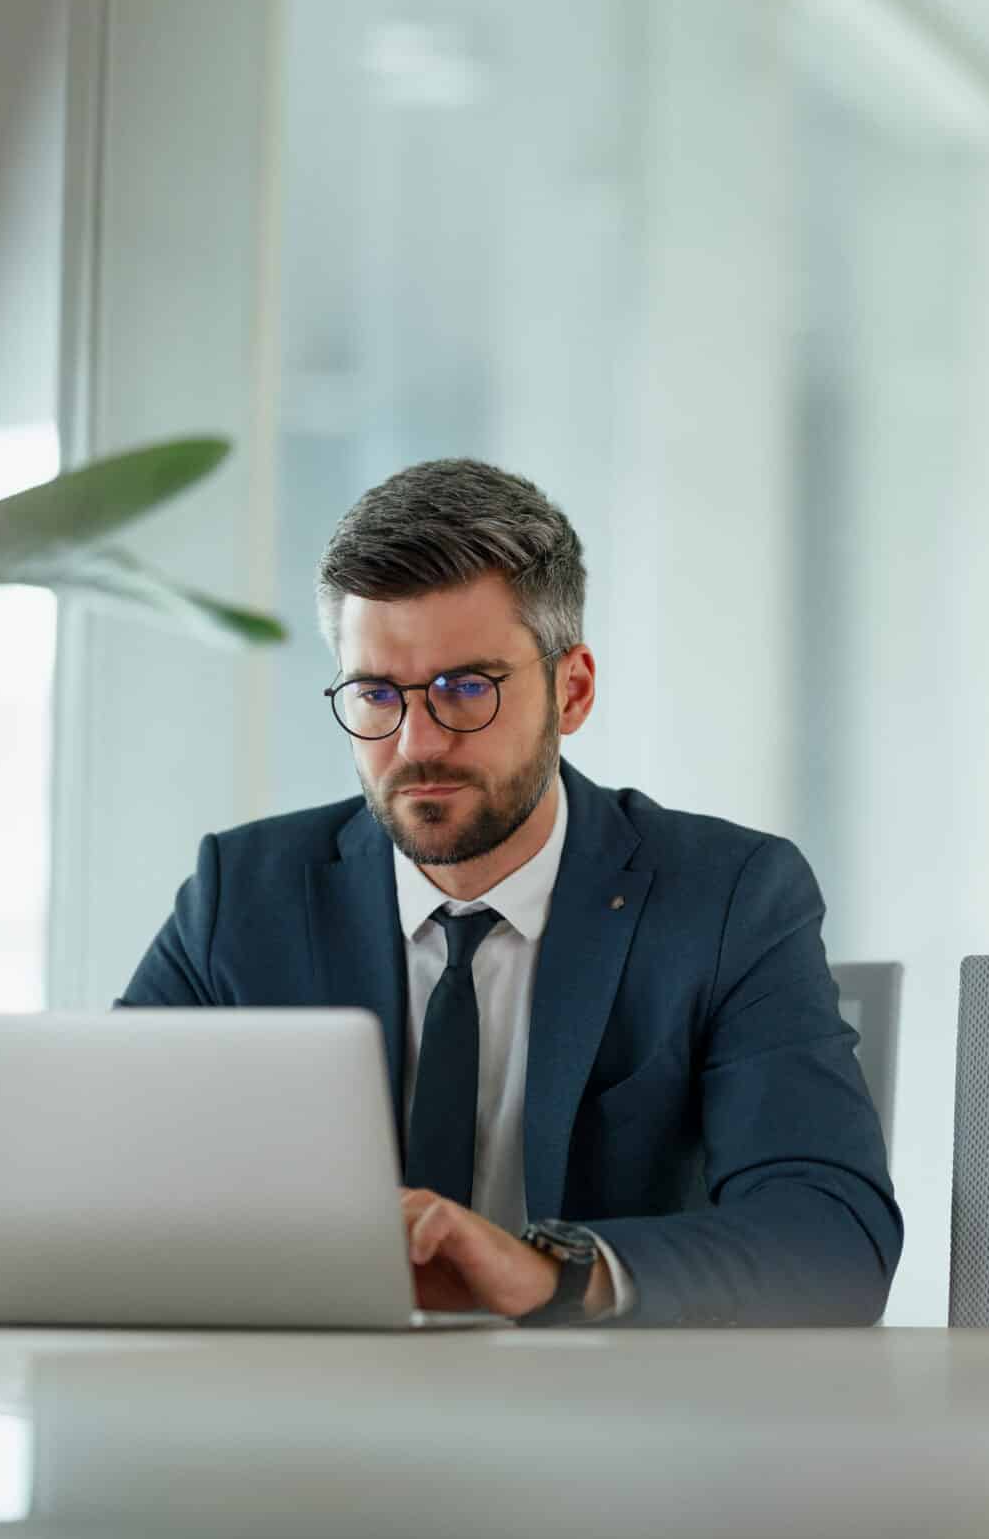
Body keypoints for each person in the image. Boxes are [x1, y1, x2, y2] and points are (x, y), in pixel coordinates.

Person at [119, 458, 901, 1327]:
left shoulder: (726, 898)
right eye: (377, 693)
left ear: (572, 690)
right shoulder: (242, 894)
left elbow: (836, 1236)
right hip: (314, 1413)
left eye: (467, 689)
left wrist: (550, 1272)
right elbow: (101, 1180)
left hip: (615, 1430)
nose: (416, 741)